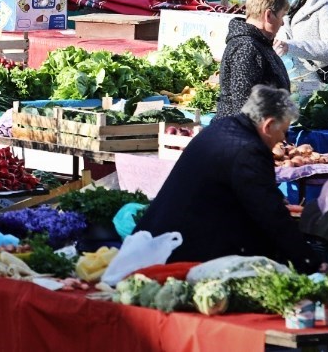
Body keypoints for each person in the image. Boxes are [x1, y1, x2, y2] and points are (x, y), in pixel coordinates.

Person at [136, 86, 318, 272]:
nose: (283, 139)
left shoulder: (223, 127)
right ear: (268, 125)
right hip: (181, 250)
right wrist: (309, 262)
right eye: (284, 132)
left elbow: (251, 192)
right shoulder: (249, 150)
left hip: (165, 235)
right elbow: (270, 214)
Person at [217, 0, 291, 116]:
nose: (282, 23)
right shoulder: (247, 47)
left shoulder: (258, 43)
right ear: (268, 15)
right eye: (281, 16)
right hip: (241, 134)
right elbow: (244, 108)